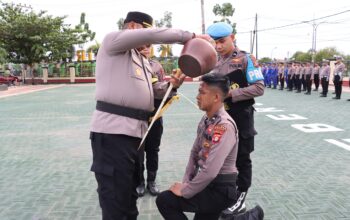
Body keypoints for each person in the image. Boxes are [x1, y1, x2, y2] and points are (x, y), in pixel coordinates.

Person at [89, 11, 206, 220]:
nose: (147, 38)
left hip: (135, 133)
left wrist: (172, 84)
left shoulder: (139, 59)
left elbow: (152, 92)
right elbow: (152, 35)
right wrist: (190, 37)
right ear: (133, 27)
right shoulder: (112, 41)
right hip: (113, 133)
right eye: (145, 29)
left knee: (129, 195)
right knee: (115, 200)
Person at [156, 73, 264, 220]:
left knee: (165, 200)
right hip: (207, 185)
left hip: (220, 190)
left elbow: (210, 171)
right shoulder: (207, 120)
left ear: (216, 98)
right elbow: (194, 153)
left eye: (202, 92)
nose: (197, 96)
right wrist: (187, 181)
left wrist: (186, 190)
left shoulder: (224, 126)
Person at [206, 22, 265, 217]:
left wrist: (230, 94)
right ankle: (224, 193)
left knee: (242, 158)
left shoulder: (245, 59)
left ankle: (240, 196)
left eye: (222, 41)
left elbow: (259, 88)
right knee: (218, 156)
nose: (219, 46)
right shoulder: (213, 60)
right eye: (215, 43)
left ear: (233, 37)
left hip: (241, 118)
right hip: (219, 118)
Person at [136, 44, 166, 196]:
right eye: (142, 46)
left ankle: (151, 182)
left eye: (148, 46)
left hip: (155, 115)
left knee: (153, 150)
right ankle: (139, 182)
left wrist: (170, 86)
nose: (145, 49)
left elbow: (161, 89)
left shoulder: (157, 66)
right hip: (136, 116)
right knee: (138, 151)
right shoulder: (130, 65)